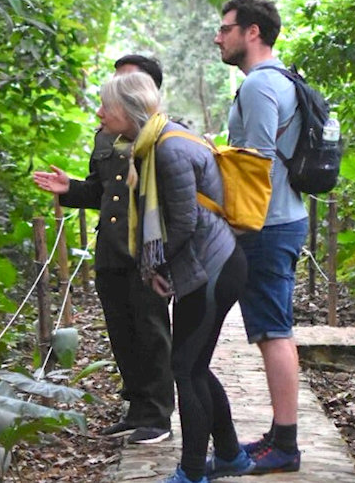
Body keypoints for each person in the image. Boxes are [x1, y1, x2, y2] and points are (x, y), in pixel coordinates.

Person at [103, 71, 254, 483]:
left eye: (106, 107)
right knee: (194, 365)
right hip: (205, 266)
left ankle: (192, 471)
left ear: (128, 110)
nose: (100, 114)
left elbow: (185, 222)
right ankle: (230, 456)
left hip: (214, 267)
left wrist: (154, 266)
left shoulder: (167, 149)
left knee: (186, 368)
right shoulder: (153, 144)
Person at [32, 55, 174, 445]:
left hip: (147, 251)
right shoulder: (105, 136)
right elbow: (103, 191)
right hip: (111, 247)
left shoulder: (166, 137)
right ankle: (136, 410)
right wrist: (70, 189)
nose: (114, 94)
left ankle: (157, 415)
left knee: (151, 331)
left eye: (127, 83)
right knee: (122, 332)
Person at [213, 0, 308, 474]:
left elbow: (257, 162)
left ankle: (285, 445)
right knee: (273, 328)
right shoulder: (284, 79)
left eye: (225, 28)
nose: (218, 37)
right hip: (281, 217)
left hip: (268, 224)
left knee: (274, 332)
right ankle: (278, 434)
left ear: (252, 32)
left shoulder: (258, 86)